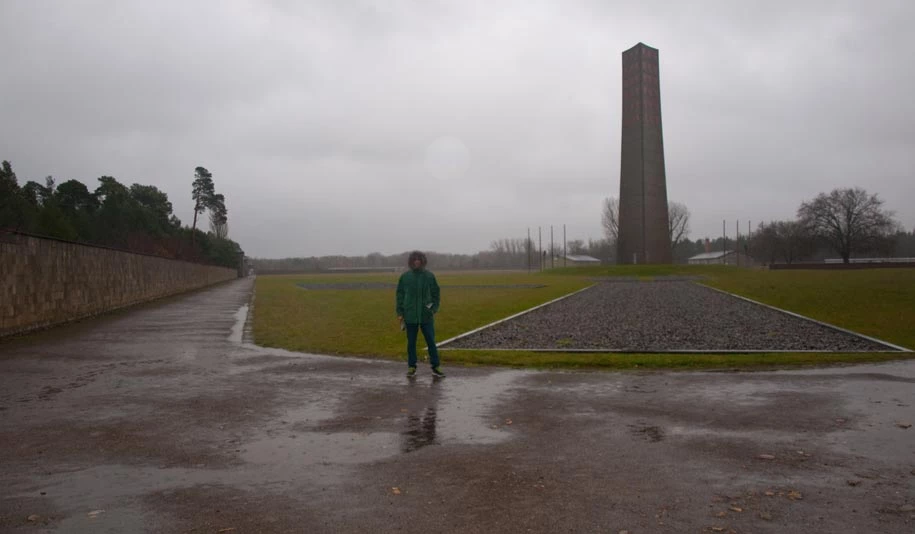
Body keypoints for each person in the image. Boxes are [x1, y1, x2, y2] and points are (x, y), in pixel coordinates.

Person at [396, 250, 444, 377]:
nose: (416, 261)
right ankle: (412, 367)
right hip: (410, 315)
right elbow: (400, 295)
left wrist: (433, 309)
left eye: (419, 259)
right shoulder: (405, 277)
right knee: (411, 343)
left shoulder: (429, 276)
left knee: (431, 342)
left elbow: (436, 294)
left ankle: (436, 366)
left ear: (423, 261)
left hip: (426, 316)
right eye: (414, 259)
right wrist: (400, 312)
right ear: (411, 261)